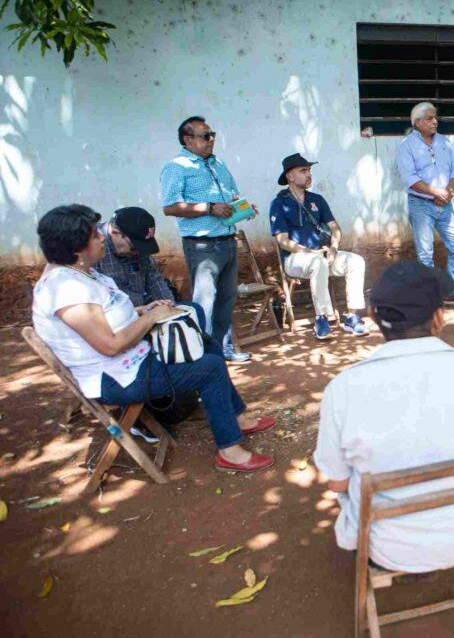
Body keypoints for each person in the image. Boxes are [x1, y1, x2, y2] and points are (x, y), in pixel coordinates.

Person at [31, 205, 275, 472]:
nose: (101, 237)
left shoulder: (80, 273)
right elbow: (110, 345)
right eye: (94, 235)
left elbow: (107, 314)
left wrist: (142, 310)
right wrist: (150, 317)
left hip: (132, 359)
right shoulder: (66, 289)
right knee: (211, 368)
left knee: (204, 341)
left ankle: (237, 417)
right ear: (77, 248)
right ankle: (230, 451)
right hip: (118, 377)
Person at [313, 261, 454, 572]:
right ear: (439, 317)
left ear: (372, 317)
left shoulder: (342, 389)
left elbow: (338, 484)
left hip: (386, 551)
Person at [161, 115, 256, 363]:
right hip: (202, 245)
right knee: (205, 302)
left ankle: (223, 349)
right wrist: (208, 208)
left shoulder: (219, 164)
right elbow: (170, 207)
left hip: (227, 240)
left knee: (226, 299)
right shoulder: (177, 167)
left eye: (212, 134)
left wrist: (243, 207)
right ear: (187, 139)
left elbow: (232, 196)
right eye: (205, 136)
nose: (211, 140)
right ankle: (202, 355)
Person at [269, 153, 369, 339]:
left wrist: (333, 248)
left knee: (356, 261)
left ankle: (353, 316)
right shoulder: (279, 204)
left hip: (323, 255)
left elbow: (335, 228)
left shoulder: (317, 199)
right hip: (295, 259)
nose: (309, 175)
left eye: (309, 170)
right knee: (318, 263)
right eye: (303, 171)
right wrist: (309, 251)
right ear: (290, 177)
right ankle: (322, 318)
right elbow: (283, 241)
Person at [397, 102, 454, 305]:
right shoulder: (406, 146)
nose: (435, 121)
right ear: (417, 123)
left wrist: (448, 192)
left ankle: (452, 290)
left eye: (435, 118)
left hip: (445, 203)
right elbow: (411, 179)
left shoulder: (445, 142)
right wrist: (436, 191)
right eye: (429, 118)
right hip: (420, 204)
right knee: (425, 253)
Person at [97, 207, 176, 307]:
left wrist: (170, 305)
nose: (139, 253)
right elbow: (103, 298)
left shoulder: (137, 247)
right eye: (134, 248)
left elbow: (154, 279)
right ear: (115, 233)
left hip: (146, 306)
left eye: (142, 248)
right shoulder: (92, 247)